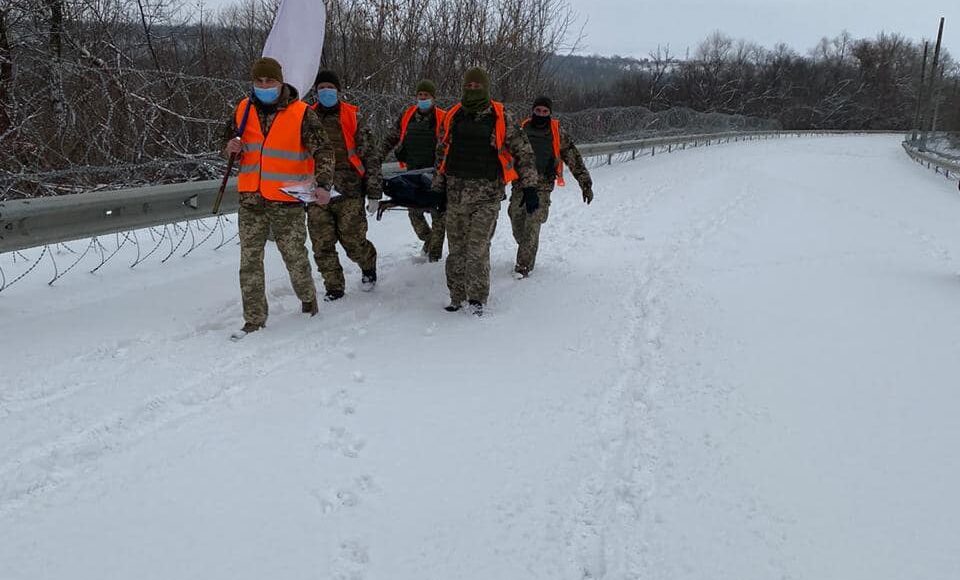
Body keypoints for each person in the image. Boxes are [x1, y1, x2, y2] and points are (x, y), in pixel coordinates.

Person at [223, 57, 335, 340]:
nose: (263, 86)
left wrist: (322, 184)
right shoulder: (242, 110)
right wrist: (230, 147)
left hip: (286, 199)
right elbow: (227, 142)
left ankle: (308, 299)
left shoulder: (301, 113)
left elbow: (324, 150)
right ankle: (254, 319)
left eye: (269, 81)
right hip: (251, 197)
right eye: (258, 81)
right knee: (249, 261)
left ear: (280, 82)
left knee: (294, 256)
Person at [433, 67, 538, 316]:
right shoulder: (453, 116)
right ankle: (456, 296)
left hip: (487, 196)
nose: (472, 90)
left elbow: (524, 153)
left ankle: (477, 298)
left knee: (477, 247)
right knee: (456, 249)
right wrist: (437, 188)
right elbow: (441, 155)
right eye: (468, 87)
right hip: (456, 194)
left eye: (477, 87)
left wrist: (530, 187)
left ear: (486, 88)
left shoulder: (501, 116)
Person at [305, 70, 382, 301]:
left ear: (338, 90)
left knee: (353, 241)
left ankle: (368, 266)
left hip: (349, 190)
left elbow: (371, 156)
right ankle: (334, 286)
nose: (325, 91)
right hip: (317, 191)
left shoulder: (352, 116)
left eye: (330, 87)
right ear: (315, 92)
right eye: (321, 88)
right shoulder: (306, 117)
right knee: (322, 243)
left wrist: (374, 192)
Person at [509, 96, 594, 278]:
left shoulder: (557, 132)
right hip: (521, 184)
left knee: (533, 222)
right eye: (538, 111)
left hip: (543, 186)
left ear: (550, 113)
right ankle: (526, 246)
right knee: (516, 220)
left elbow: (573, 158)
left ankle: (523, 266)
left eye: (545, 111)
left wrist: (585, 183)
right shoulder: (521, 129)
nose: (541, 114)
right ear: (532, 111)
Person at [380, 79, 447, 262]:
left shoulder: (442, 117)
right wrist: (378, 157)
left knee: (438, 214)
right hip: (411, 172)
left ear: (433, 98)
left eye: (426, 95)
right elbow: (391, 138)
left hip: (436, 174)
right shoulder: (407, 115)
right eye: (420, 95)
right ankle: (429, 239)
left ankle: (434, 257)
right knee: (414, 212)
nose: (423, 98)